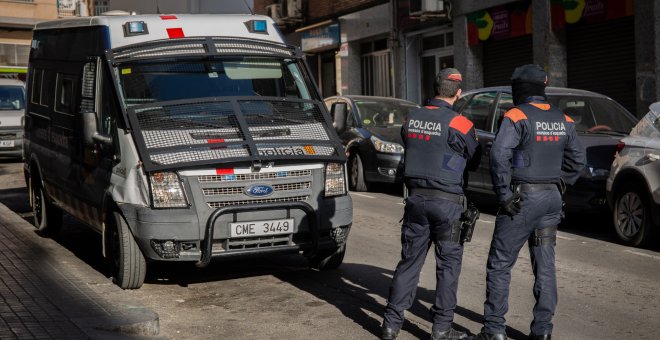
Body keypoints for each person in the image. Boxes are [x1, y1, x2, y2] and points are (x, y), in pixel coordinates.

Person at [473, 64, 586, 340]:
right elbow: (579, 161)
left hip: (522, 200)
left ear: (519, 89)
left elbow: (499, 155)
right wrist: (561, 183)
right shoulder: (564, 119)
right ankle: (543, 331)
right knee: (545, 266)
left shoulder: (516, 115)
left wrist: (503, 194)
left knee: (500, 263)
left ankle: (494, 330)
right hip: (550, 202)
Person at [382, 68, 479, 340]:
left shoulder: (412, 117)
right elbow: (473, 156)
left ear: (435, 88)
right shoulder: (461, 123)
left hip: (415, 200)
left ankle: (390, 325)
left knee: (409, 262)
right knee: (448, 266)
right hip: (447, 203)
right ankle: (441, 329)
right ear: (458, 92)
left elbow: (409, 141)